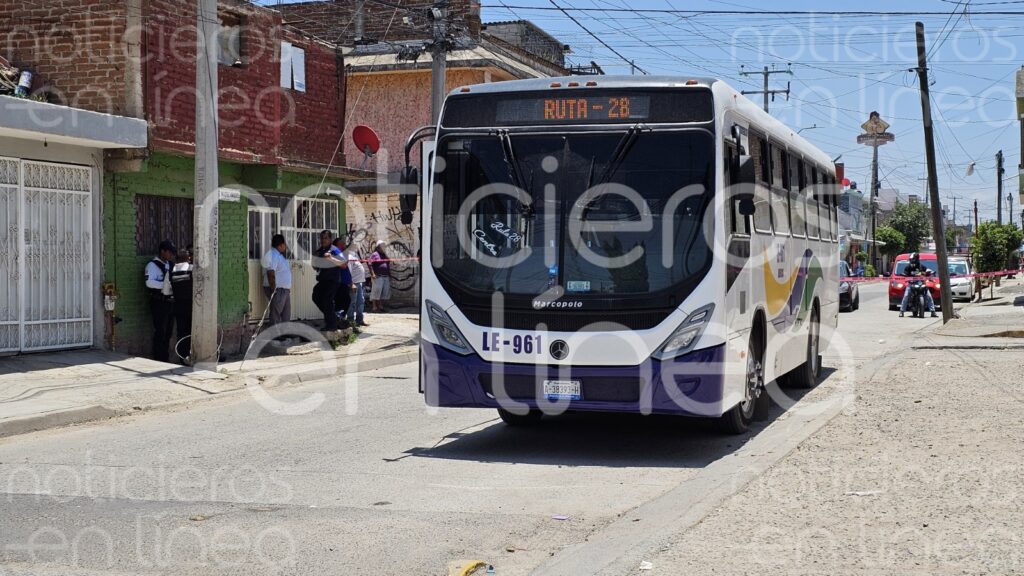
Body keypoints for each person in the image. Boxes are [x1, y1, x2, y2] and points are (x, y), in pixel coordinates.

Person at [144, 240, 176, 362]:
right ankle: (158, 358)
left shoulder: (171, 265)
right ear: (162, 251)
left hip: (170, 303)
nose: (170, 255)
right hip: (159, 303)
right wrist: (165, 285)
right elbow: (149, 282)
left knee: (168, 332)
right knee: (160, 331)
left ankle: (165, 358)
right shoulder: (152, 266)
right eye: (169, 252)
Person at [312, 230, 348, 333]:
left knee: (328, 301)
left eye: (326, 238)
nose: (323, 240)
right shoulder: (320, 251)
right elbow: (316, 267)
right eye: (322, 238)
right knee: (316, 296)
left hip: (333, 281)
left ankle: (331, 325)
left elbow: (344, 264)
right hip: (323, 280)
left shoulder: (334, 250)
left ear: (330, 239)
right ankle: (334, 317)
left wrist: (331, 258)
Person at [261, 234, 292, 328]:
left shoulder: (278, 255)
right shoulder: (272, 255)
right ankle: (275, 335)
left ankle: (285, 333)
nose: (286, 246)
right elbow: (270, 273)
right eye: (285, 244)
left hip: (284, 289)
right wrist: (274, 290)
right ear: (280, 245)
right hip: (277, 289)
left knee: (286, 313)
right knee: (276, 313)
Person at [170, 248, 194, 361]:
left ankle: (182, 358)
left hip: (178, 306)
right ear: (188, 258)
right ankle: (192, 356)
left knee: (181, 332)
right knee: (192, 332)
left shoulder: (171, 272)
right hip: (192, 307)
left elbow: (166, 291)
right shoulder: (192, 269)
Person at [899, 252, 937, 318]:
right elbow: (905, 273)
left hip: (921, 283)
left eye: (912, 259)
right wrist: (904, 274)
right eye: (910, 259)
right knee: (906, 296)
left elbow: (928, 270)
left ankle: (933, 312)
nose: (911, 261)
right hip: (911, 284)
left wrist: (930, 272)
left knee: (929, 296)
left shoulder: (921, 266)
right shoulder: (908, 267)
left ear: (916, 259)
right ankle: (901, 311)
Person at [332, 237, 353, 330]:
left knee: (345, 301)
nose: (344, 245)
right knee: (342, 302)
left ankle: (339, 319)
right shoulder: (335, 253)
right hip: (339, 284)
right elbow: (343, 265)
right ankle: (337, 319)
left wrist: (351, 282)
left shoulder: (341, 253)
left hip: (344, 283)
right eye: (342, 244)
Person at [346, 244, 369, 328]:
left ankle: (359, 320)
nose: (358, 247)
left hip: (359, 282)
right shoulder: (349, 256)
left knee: (360, 302)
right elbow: (348, 271)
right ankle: (350, 321)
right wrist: (351, 284)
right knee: (352, 302)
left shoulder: (354, 255)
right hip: (354, 284)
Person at [368, 240, 391, 313]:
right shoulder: (375, 254)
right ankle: (374, 307)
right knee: (376, 291)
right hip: (378, 276)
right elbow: (369, 263)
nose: (384, 248)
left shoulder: (384, 254)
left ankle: (381, 306)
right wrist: (372, 274)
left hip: (385, 276)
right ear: (378, 247)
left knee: (383, 292)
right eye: (382, 246)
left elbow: (388, 263)